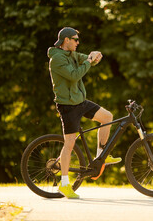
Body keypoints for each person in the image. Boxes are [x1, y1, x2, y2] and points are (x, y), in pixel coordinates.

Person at [47, 27, 121, 199]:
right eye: (75, 39)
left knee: (107, 117)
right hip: (67, 106)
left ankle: (100, 156)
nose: (78, 42)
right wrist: (88, 61)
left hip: (80, 101)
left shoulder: (72, 54)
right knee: (70, 143)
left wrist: (94, 55)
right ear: (66, 40)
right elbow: (74, 75)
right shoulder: (57, 60)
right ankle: (64, 184)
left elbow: (87, 59)